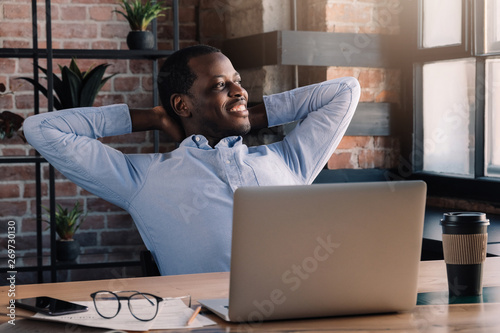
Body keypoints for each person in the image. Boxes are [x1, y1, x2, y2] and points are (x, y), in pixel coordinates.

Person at [23, 45, 360, 275]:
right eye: (219, 85)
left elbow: (345, 90)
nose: (239, 90)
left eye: (237, 82)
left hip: (305, 313)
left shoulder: (288, 159)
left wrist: (249, 116)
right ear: (182, 106)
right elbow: (43, 128)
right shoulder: (142, 179)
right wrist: (152, 117)